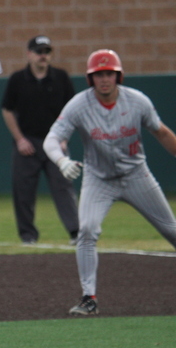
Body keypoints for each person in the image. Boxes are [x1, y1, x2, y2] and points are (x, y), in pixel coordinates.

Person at [43, 49, 176, 316]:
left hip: (137, 175)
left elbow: (160, 131)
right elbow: (51, 139)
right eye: (99, 74)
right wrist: (62, 161)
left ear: (118, 76)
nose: (105, 79)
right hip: (98, 179)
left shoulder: (137, 101)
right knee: (87, 231)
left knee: (172, 230)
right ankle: (88, 298)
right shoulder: (79, 105)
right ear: (91, 79)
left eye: (109, 73)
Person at [1, 36, 78, 245]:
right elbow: (7, 109)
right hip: (28, 143)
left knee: (64, 188)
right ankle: (28, 236)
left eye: (46, 51)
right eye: (39, 51)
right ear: (29, 54)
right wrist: (19, 139)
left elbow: (71, 110)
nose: (43, 56)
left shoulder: (61, 77)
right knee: (23, 191)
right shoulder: (18, 79)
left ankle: (75, 232)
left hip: (55, 142)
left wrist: (64, 138)